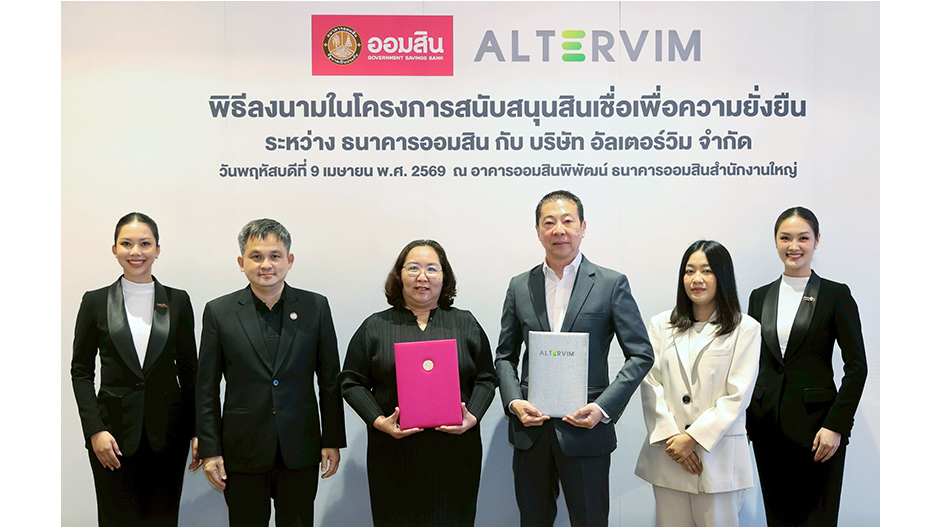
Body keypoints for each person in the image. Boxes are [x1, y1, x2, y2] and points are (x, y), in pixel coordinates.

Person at [494, 190, 654, 526]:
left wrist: (603, 408)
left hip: (586, 429)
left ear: (582, 227)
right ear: (538, 230)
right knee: (533, 521)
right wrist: (514, 402)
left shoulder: (610, 284)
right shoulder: (519, 286)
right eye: (549, 222)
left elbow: (641, 354)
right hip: (531, 431)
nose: (559, 230)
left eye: (567, 221)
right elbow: (505, 356)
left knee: (590, 521)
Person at [196, 218, 346, 527]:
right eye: (256, 256)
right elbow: (206, 388)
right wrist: (210, 450)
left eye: (275, 256)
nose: (266, 264)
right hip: (241, 450)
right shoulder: (219, 312)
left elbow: (330, 380)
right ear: (242, 262)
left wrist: (331, 440)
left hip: (300, 447)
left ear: (289, 260)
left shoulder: (315, 307)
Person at [340, 239, 497, 526]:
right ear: (399, 275)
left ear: (444, 277)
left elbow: (487, 377)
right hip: (393, 453)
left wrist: (473, 416)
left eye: (432, 269)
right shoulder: (375, 326)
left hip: (455, 452)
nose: (422, 276)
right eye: (413, 268)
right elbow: (351, 381)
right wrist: (378, 421)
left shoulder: (465, 323)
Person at [71, 212, 199, 526]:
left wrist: (200, 431)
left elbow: (190, 372)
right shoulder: (95, 302)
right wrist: (95, 430)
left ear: (157, 249)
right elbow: (81, 371)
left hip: (169, 436)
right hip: (111, 438)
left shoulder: (178, 301)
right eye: (126, 244)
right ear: (114, 249)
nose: (135, 251)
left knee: (162, 520)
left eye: (145, 243)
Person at [746, 207, 868, 526]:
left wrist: (836, 426)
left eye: (803, 238)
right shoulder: (759, 297)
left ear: (816, 240)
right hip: (767, 429)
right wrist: (747, 421)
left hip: (819, 432)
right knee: (778, 518)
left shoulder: (835, 295)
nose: (794, 246)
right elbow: (753, 364)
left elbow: (857, 367)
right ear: (776, 241)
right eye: (785, 238)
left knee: (818, 519)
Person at [634, 240, 760, 526]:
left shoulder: (745, 328)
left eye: (707, 270)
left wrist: (693, 439)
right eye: (689, 271)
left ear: (722, 276)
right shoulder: (661, 325)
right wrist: (673, 439)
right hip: (669, 455)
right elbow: (650, 383)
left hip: (717, 457)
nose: (697, 279)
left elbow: (738, 395)